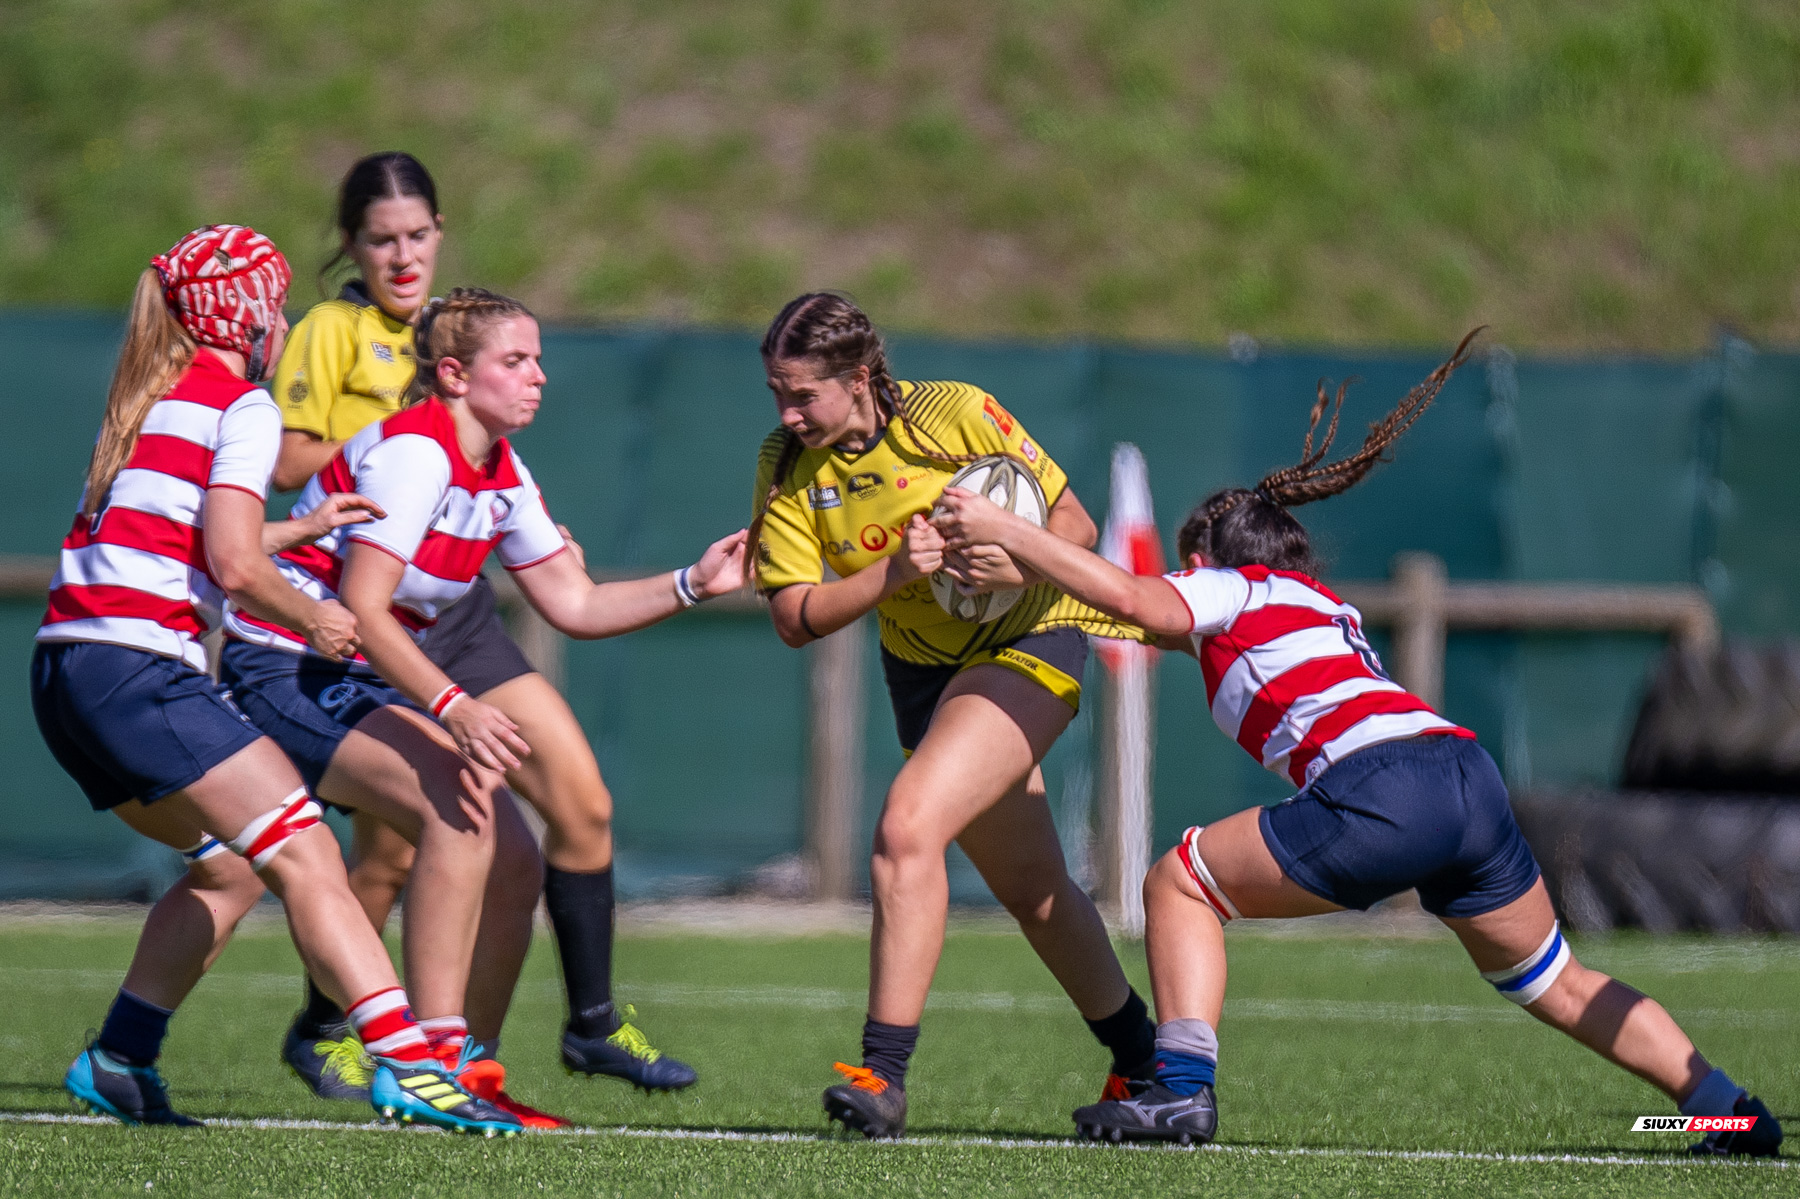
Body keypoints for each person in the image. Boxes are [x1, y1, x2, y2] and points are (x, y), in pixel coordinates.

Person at [930, 332, 1785, 1157]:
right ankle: (1725, 1109)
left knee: (1180, 880)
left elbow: (1137, 600)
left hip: (1387, 790)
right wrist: (1013, 570)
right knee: (1554, 982)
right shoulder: (1313, 603)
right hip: (1464, 777)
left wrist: (1011, 532)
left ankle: (1181, 1090)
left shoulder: (1231, 587)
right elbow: (1120, 607)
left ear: (1203, 557)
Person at [31, 224, 518, 1135]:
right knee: (310, 851)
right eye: (278, 301)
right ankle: (410, 1063)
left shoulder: (148, 397)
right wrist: (319, 617)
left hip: (65, 671)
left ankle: (120, 1057)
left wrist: (302, 530)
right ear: (247, 312)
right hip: (141, 669)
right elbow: (234, 564)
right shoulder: (241, 405)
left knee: (227, 871)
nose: (285, 320)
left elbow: (188, 542)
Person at [230, 285, 747, 1108]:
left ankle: (472, 1068)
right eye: (516, 360)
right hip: (284, 664)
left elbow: (574, 603)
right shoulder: (417, 453)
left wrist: (693, 582)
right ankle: (423, 1064)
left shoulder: (501, 469)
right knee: (455, 801)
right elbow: (363, 606)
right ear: (454, 375)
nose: (538, 375)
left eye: (538, 358)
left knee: (514, 856)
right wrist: (453, 707)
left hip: (359, 671)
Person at [748, 292, 1159, 1139]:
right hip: (922, 674)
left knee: (906, 828)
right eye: (776, 395)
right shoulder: (787, 462)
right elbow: (795, 617)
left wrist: (1006, 557)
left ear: (859, 378)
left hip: (1032, 638)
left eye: (804, 396)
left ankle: (882, 1075)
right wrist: (896, 573)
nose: (788, 414)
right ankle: (1146, 1063)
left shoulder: (955, 414)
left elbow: (1077, 527)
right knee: (1035, 891)